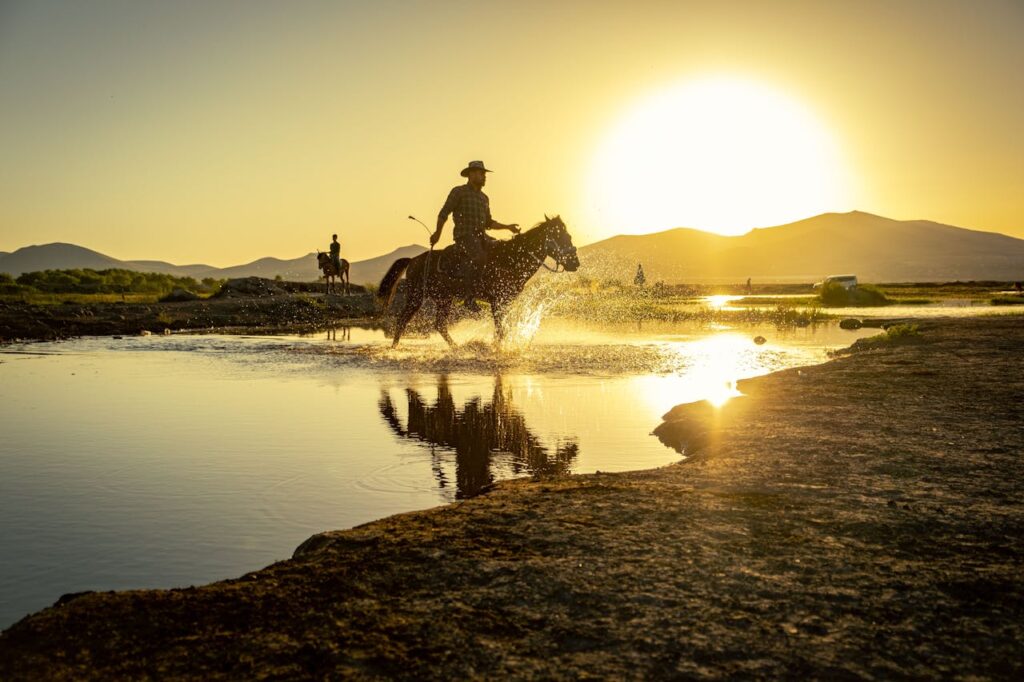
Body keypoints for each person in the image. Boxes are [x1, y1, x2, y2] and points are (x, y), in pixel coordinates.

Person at [432, 160, 519, 311]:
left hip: (482, 237)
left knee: (501, 250)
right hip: (464, 236)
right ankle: (469, 296)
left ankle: (495, 288)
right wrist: (437, 233)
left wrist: (508, 227)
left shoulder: (484, 198)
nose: (484, 176)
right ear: (471, 174)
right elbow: (444, 213)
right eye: (481, 173)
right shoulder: (458, 192)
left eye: (485, 174)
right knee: (479, 257)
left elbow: (489, 223)